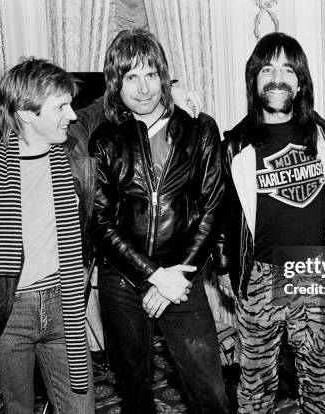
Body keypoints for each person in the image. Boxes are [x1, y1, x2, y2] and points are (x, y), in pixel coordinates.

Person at [0, 58, 95, 413]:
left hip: (65, 304)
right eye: (61, 106)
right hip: (7, 313)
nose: (72, 115)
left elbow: (110, 102)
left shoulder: (74, 154)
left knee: (81, 408)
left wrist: (170, 93)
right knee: (16, 408)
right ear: (26, 113)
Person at [89, 29, 229, 413]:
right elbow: (100, 221)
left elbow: (212, 208)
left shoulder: (199, 128)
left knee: (211, 392)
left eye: (151, 74)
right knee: (134, 390)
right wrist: (153, 274)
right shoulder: (104, 137)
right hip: (122, 280)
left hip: (183, 277)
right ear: (116, 84)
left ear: (165, 76)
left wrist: (176, 276)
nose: (144, 87)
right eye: (131, 77)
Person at [215, 31, 325, 414]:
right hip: (260, 276)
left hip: (313, 270)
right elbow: (222, 214)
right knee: (255, 379)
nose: (277, 78)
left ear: (301, 81)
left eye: (288, 69)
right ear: (254, 79)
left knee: (319, 372)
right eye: (267, 69)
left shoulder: (319, 134)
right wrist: (224, 266)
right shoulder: (236, 144)